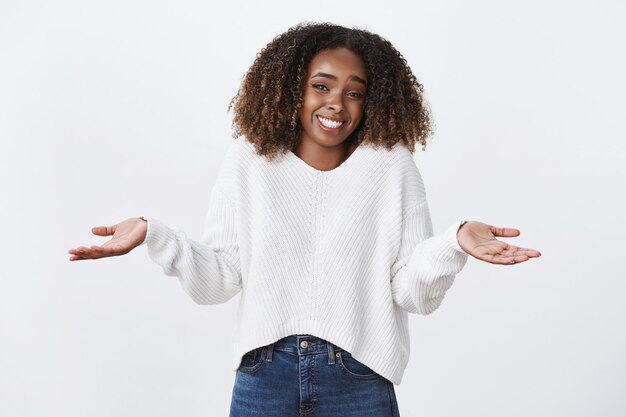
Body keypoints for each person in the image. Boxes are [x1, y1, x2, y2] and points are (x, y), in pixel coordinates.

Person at [68, 22, 541, 417]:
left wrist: (454, 243)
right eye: (322, 85)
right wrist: (156, 234)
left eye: (355, 92)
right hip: (262, 378)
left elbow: (411, 293)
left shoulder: (391, 165)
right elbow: (220, 280)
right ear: (291, 86)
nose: (337, 103)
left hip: (359, 377)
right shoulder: (249, 161)